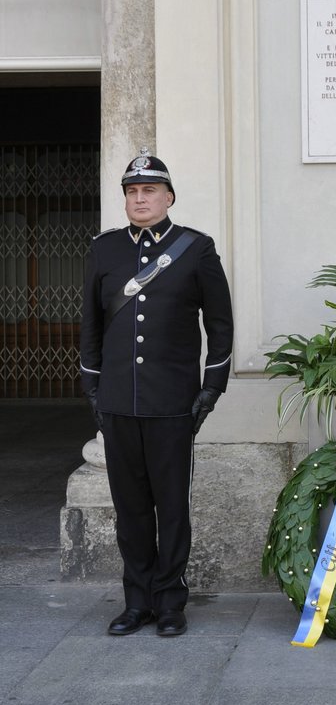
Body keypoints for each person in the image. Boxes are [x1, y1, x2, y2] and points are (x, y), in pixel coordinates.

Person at [80, 150, 234, 637]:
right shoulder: (104, 251)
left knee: (172, 507)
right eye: (132, 191)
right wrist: (94, 388)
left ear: (168, 197)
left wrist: (211, 387)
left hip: (172, 403)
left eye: (149, 191)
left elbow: (221, 325)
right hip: (119, 401)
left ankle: (170, 602)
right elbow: (91, 325)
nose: (140, 198)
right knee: (129, 509)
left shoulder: (196, 249)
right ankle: (137, 601)